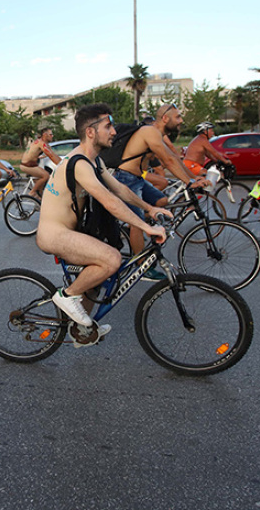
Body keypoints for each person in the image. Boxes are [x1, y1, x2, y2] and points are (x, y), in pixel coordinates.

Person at [37, 103, 169, 343]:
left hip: (69, 231)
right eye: (108, 126)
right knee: (111, 259)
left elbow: (119, 189)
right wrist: (146, 227)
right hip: (54, 234)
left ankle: (81, 330)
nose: (114, 132)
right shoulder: (79, 163)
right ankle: (67, 295)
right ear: (91, 132)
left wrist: (150, 208)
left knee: (101, 277)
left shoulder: (94, 162)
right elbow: (109, 201)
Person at [114, 102, 208, 263]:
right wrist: (189, 182)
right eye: (177, 117)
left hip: (138, 179)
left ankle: (137, 222)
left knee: (162, 200)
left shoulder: (158, 134)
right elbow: (169, 161)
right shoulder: (150, 132)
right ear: (165, 118)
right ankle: (140, 265)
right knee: (137, 223)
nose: (180, 120)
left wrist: (193, 177)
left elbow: (174, 158)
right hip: (126, 178)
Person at [19, 127, 61, 199]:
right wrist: (61, 165)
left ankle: (39, 199)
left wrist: (63, 162)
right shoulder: (41, 143)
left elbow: (53, 154)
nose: (52, 136)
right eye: (51, 134)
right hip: (27, 166)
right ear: (45, 135)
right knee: (46, 175)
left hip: (32, 165)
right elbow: (50, 155)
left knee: (41, 190)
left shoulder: (42, 143)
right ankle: (32, 192)